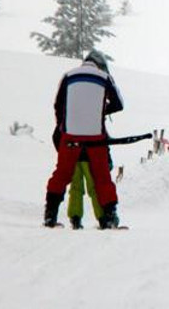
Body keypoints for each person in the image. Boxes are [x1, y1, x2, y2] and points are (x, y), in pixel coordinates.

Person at [44, 50, 123, 229]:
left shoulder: (68, 76)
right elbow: (119, 104)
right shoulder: (104, 77)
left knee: (62, 174)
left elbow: (58, 105)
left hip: (70, 135)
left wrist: (65, 126)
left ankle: (50, 215)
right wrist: (98, 110)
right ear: (101, 65)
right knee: (102, 176)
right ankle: (109, 217)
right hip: (96, 136)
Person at [67, 154, 104, 230]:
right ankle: (102, 217)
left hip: (73, 152)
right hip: (89, 153)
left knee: (75, 187)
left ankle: (75, 218)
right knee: (94, 186)